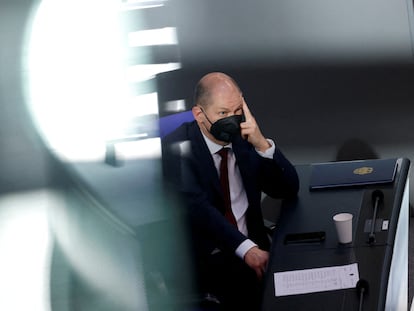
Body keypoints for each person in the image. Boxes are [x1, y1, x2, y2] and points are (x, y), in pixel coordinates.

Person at [161, 72, 299, 310]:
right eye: (223, 113)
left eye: (237, 111)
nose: (232, 121)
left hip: (257, 256)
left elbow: (287, 188)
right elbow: (199, 209)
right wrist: (247, 250)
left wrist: (261, 143)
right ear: (199, 114)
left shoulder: (244, 138)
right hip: (209, 266)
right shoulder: (178, 147)